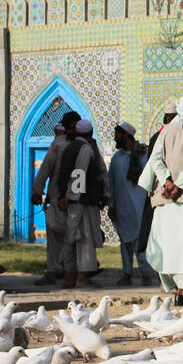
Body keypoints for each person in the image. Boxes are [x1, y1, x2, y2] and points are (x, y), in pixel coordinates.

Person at [140, 91, 183, 306]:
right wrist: (177, 184)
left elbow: (156, 160)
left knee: (170, 244)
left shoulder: (166, 130)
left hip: (166, 197)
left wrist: (167, 181)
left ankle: (178, 289)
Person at [56, 118, 108, 288]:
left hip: (72, 199)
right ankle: (81, 278)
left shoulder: (69, 147)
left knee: (71, 237)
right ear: (90, 134)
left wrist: (64, 196)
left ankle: (69, 277)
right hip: (81, 201)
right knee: (84, 238)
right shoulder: (85, 148)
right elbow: (79, 172)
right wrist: (72, 196)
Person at [30, 110, 81, 285]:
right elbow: (45, 168)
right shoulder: (58, 144)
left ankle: (71, 272)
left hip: (78, 199)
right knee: (55, 235)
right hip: (58, 197)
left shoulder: (85, 145)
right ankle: (53, 271)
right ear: (66, 129)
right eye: (71, 127)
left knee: (75, 237)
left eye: (77, 127)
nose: (74, 131)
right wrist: (38, 190)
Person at [109, 122, 156, 286]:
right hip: (122, 207)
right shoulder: (117, 157)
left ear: (127, 135)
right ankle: (127, 273)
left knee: (141, 242)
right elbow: (112, 183)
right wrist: (111, 205)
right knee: (126, 242)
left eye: (118, 134)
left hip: (141, 205)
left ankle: (146, 274)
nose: (116, 138)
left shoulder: (145, 153)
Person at [136, 99, 180, 257]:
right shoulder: (162, 136)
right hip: (162, 189)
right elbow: (155, 162)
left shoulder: (162, 135)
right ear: (169, 118)